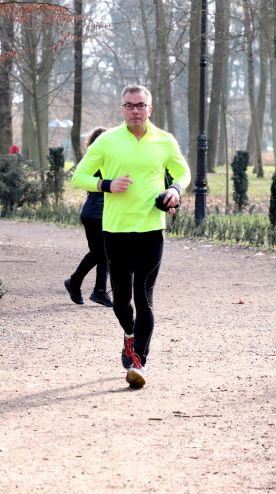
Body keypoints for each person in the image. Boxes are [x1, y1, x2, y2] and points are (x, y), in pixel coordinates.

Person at [71, 85, 190, 389]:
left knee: (144, 297)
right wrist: (107, 185)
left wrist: (174, 191)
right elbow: (79, 176)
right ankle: (128, 334)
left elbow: (182, 172)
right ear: (122, 109)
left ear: (150, 109)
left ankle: (139, 360)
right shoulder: (108, 141)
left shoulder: (164, 140)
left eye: (140, 105)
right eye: (129, 106)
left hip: (152, 230)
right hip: (116, 231)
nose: (135, 111)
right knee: (122, 302)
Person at [64, 127, 113, 308]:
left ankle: (92, 289)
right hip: (96, 213)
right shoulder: (99, 161)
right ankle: (83, 285)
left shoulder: (95, 159)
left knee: (100, 253)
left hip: (97, 212)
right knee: (101, 253)